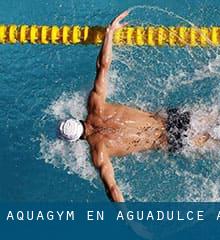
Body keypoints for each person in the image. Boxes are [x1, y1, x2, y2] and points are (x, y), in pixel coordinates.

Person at [58, 11, 210, 202]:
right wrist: (109, 33)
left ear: (76, 140)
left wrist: (130, 221)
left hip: (171, 140)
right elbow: (103, 66)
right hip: (172, 118)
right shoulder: (95, 105)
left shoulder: (99, 152)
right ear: (76, 119)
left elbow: (112, 189)